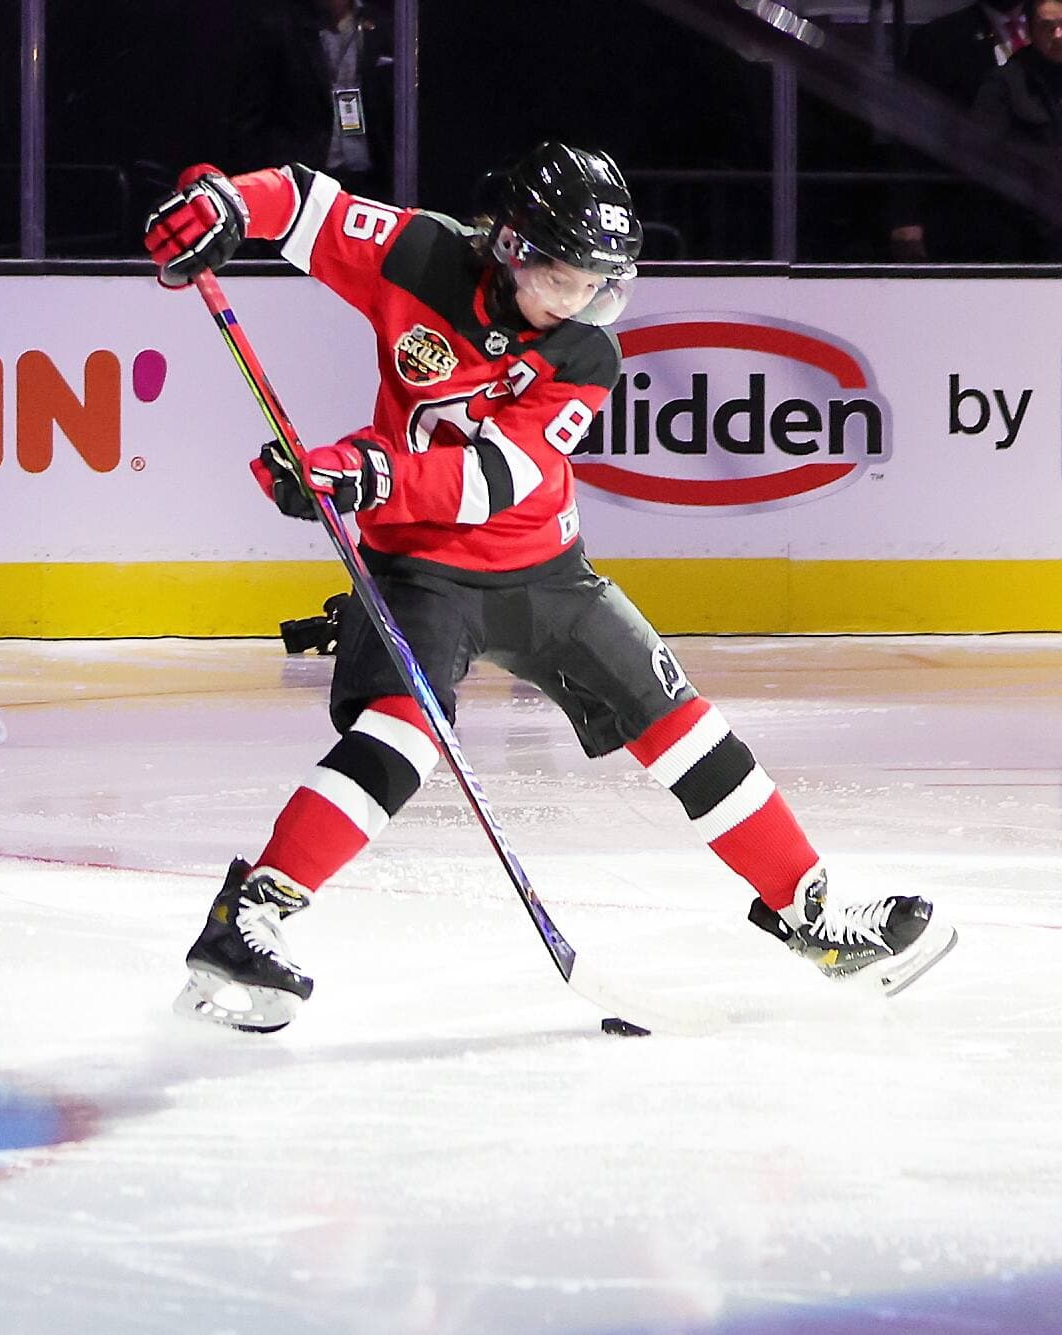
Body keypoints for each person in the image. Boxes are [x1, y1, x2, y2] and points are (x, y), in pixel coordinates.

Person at [144, 144, 959, 1032]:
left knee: (683, 724)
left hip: (547, 574)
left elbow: (497, 477)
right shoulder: (419, 254)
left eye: (597, 283)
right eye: (563, 277)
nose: (577, 301)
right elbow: (308, 206)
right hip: (419, 571)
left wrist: (362, 473)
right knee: (403, 735)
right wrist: (228, 204)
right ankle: (249, 916)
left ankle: (809, 914)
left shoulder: (586, 354)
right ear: (509, 246)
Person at [889, 1, 1028, 260]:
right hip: (970, 209)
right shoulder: (939, 39)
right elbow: (912, 131)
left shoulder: (1050, 26)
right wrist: (906, 214)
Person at [227, 0, 394, 199]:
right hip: (306, 184)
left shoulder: (383, 24)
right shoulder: (279, 28)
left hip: (373, 183)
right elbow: (250, 120)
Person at [971, 0, 1062, 256]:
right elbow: (982, 151)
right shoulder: (1005, 82)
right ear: (1029, 31)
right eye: (1047, 27)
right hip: (1026, 231)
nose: (1058, 35)